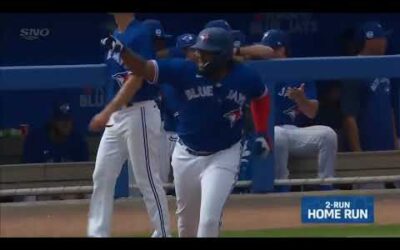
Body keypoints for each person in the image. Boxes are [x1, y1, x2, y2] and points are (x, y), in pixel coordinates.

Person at [92, 27, 271, 237]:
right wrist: (124, 52)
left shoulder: (245, 77)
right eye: (199, 51)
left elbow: (261, 97)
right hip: (186, 155)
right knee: (186, 227)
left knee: (209, 221)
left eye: (206, 53)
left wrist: (262, 133)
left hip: (224, 155)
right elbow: (143, 68)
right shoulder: (184, 70)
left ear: (222, 56)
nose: (199, 55)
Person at [87, 13, 171, 238]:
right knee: (102, 174)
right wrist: (111, 113)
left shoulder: (140, 32)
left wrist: (106, 112)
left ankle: (163, 233)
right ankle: (98, 233)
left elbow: (137, 78)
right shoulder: (116, 35)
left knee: (146, 177)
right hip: (119, 116)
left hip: (140, 110)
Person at [259, 29, 337, 191]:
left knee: (328, 134)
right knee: (277, 135)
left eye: (274, 49)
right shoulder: (258, 72)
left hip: (296, 132)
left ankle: (325, 185)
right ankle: (281, 188)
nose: (269, 53)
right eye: (266, 49)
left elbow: (312, 113)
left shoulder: (299, 71)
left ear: (283, 49)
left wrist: (301, 99)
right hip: (271, 133)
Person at [340, 21, 398, 189]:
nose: (386, 42)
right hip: (368, 154)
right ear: (370, 41)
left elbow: (390, 109)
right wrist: (359, 156)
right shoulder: (355, 69)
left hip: (388, 152)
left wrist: (394, 144)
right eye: (382, 38)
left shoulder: (385, 67)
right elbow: (349, 117)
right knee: (371, 206)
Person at [158, 33, 198, 184]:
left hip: (189, 133)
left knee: (187, 181)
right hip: (170, 132)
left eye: (193, 49)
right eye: (187, 50)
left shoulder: (202, 73)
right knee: (161, 179)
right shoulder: (171, 73)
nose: (191, 54)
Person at [23, 102, 88, 163]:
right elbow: (28, 169)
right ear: (52, 121)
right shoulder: (36, 139)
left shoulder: (78, 141)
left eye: (68, 119)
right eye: (61, 120)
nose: (66, 124)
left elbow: (85, 169)